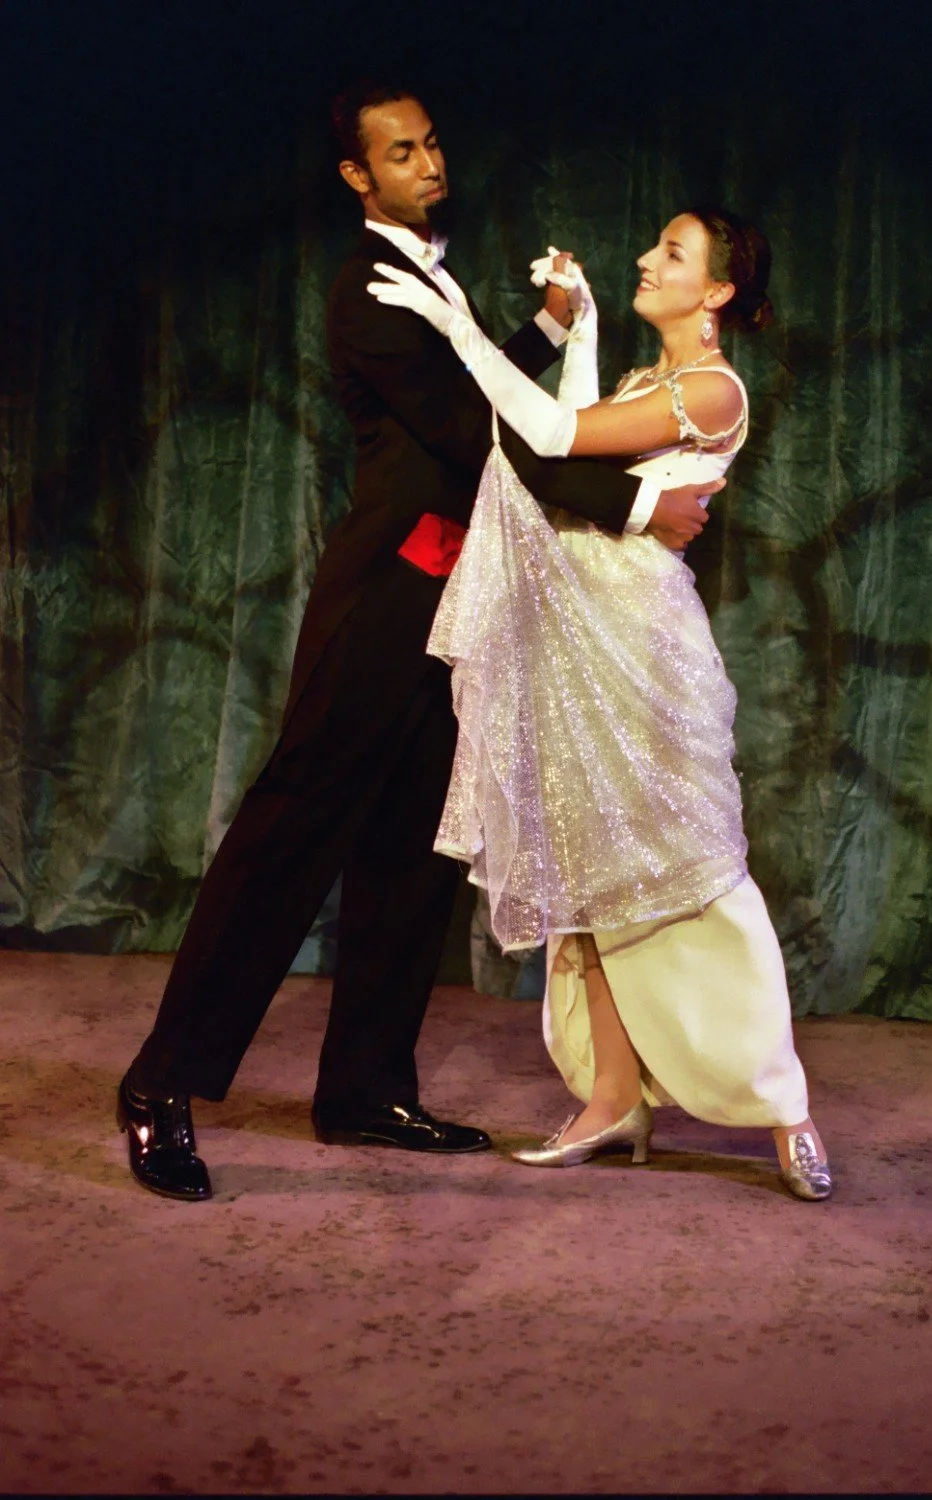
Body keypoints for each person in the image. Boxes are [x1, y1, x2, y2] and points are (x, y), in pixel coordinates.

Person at [115, 82, 719, 1201]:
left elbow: (475, 390)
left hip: (456, 605)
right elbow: (471, 434)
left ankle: (363, 1090)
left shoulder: (427, 276)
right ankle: (161, 1083)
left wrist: (545, 329)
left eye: (432, 143)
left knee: (410, 849)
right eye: (401, 152)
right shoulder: (372, 287)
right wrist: (639, 505)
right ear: (358, 174)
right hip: (384, 600)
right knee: (289, 841)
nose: (428, 163)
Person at [367, 206, 833, 1200]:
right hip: (581, 637)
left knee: (695, 874)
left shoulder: (710, 389)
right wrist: (577, 331)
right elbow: (565, 457)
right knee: (583, 867)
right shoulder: (642, 382)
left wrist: (455, 325)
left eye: (673, 253)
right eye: (654, 244)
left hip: (643, 648)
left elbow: (543, 433)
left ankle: (784, 1104)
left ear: (716, 291)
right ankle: (613, 1097)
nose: (646, 260)